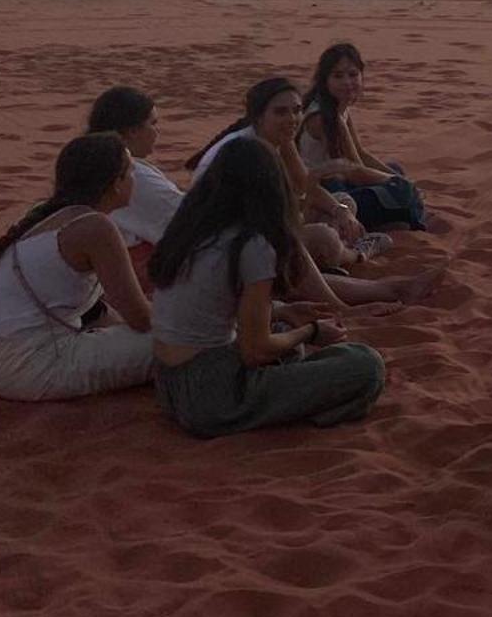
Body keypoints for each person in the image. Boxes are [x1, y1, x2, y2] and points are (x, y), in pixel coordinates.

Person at [148, 135, 386, 438]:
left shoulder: (190, 230)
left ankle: (292, 396)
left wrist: (284, 311)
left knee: (286, 339)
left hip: (170, 383)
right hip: (210, 395)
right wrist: (312, 331)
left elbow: (209, 307)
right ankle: (309, 408)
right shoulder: (252, 244)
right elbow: (255, 351)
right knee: (365, 366)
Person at [0, 133, 158, 400]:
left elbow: (97, 312)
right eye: (130, 172)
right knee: (187, 339)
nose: (135, 179)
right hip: (30, 370)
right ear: (116, 184)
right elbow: (141, 318)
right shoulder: (95, 227)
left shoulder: (45, 214)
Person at [189, 77, 372, 267]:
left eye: (297, 110)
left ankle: (327, 260)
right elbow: (272, 219)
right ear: (259, 117)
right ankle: (356, 255)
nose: (292, 119)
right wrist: (317, 178)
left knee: (342, 202)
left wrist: (340, 211)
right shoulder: (245, 152)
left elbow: (302, 184)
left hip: (262, 229)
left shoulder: (280, 137)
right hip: (232, 244)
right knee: (324, 237)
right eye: (280, 112)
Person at [299, 42, 440, 232]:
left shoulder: (338, 108)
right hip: (324, 193)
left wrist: (395, 178)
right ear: (325, 80)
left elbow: (360, 153)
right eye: (338, 76)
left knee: (395, 170)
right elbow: (356, 172)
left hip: (339, 180)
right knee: (401, 191)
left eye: (353, 74)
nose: (347, 82)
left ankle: (403, 214)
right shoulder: (324, 118)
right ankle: (411, 219)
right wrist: (399, 184)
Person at [87, 86, 184, 278]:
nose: (157, 132)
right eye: (152, 124)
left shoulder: (87, 157)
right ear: (132, 131)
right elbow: (186, 219)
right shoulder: (130, 174)